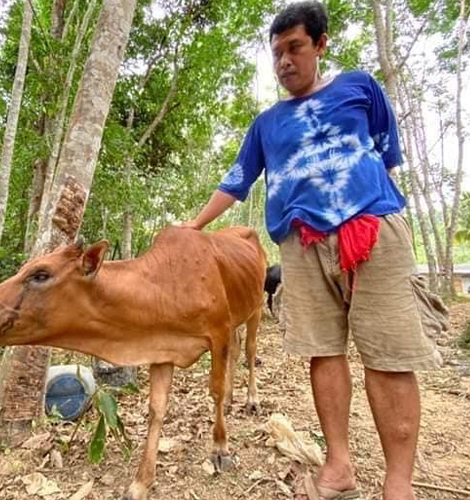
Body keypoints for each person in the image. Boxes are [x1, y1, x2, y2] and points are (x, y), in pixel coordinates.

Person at [182, 2, 442, 500]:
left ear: (321, 44)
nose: (284, 61)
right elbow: (237, 181)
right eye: (276, 52)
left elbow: (386, 155)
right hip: (299, 245)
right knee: (322, 353)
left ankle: (399, 485)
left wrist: (369, 213)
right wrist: (191, 226)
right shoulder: (265, 124)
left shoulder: (360, 87)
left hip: (371, 233)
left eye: (295, 48)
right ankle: (337, 468)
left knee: (388, 357)